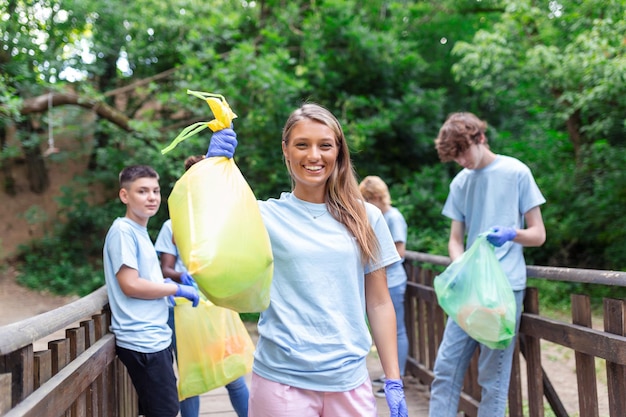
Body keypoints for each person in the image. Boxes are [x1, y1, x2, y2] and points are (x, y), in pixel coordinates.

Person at [205, 103, 408, 417]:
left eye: (325, 145)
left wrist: (393, 380)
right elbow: (205, 234)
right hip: (281, 383)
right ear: (286, 149)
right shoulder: (262, 216)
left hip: (350, 382)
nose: (314, 156)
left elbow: (380, 303)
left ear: (338, 151)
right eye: (302, 144)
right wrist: (212, 171)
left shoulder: (366, 217)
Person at [428, 112, 546, 417]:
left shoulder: (516, 172)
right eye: (455, 158)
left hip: (505, 289)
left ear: (480, 138)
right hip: (470, 289)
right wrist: (462, 264)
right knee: (445, 369)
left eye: (463, 152)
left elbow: (538, 235)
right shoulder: (461, 182)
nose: (462, 161)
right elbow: (456, 239)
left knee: (492, 378)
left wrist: (511, 234)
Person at [155, 155, 250, 417]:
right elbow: (165, 268)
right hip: (185, 308)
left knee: (233, 373)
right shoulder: (172, 224)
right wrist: (182, 277)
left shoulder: (219, 220)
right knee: (191, 374)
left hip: (217, 304)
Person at [102, 165, 200, 417]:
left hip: (154, 337)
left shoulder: (139, 230)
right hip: (142, 340)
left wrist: (169, 288)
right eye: (142, 191)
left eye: (155, 191)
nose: (152, 197)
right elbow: (130, 284)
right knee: (166, 411)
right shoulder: (123, 231)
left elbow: (144, 279)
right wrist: (175, 287)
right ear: (125, 196)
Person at [358, 175, 410, 398]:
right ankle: (389, 374)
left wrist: (372, 263)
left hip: (393, 281)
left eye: (368, 199)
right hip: (380, 281)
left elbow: (399, 251)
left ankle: (398, 377)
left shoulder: (393, 217)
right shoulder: (377, 215)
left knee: (396, 331)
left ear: (377, 197)